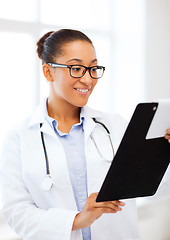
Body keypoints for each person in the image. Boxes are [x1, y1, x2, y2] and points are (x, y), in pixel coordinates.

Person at [0, 29, 169, 240]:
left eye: (93, 68)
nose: (88, 79)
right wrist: (79, 219)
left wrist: (164, 153)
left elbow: (156, 189)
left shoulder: (115, 126)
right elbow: (18, 214)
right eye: (77, 68)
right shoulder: (18, 139)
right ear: (48, 72)